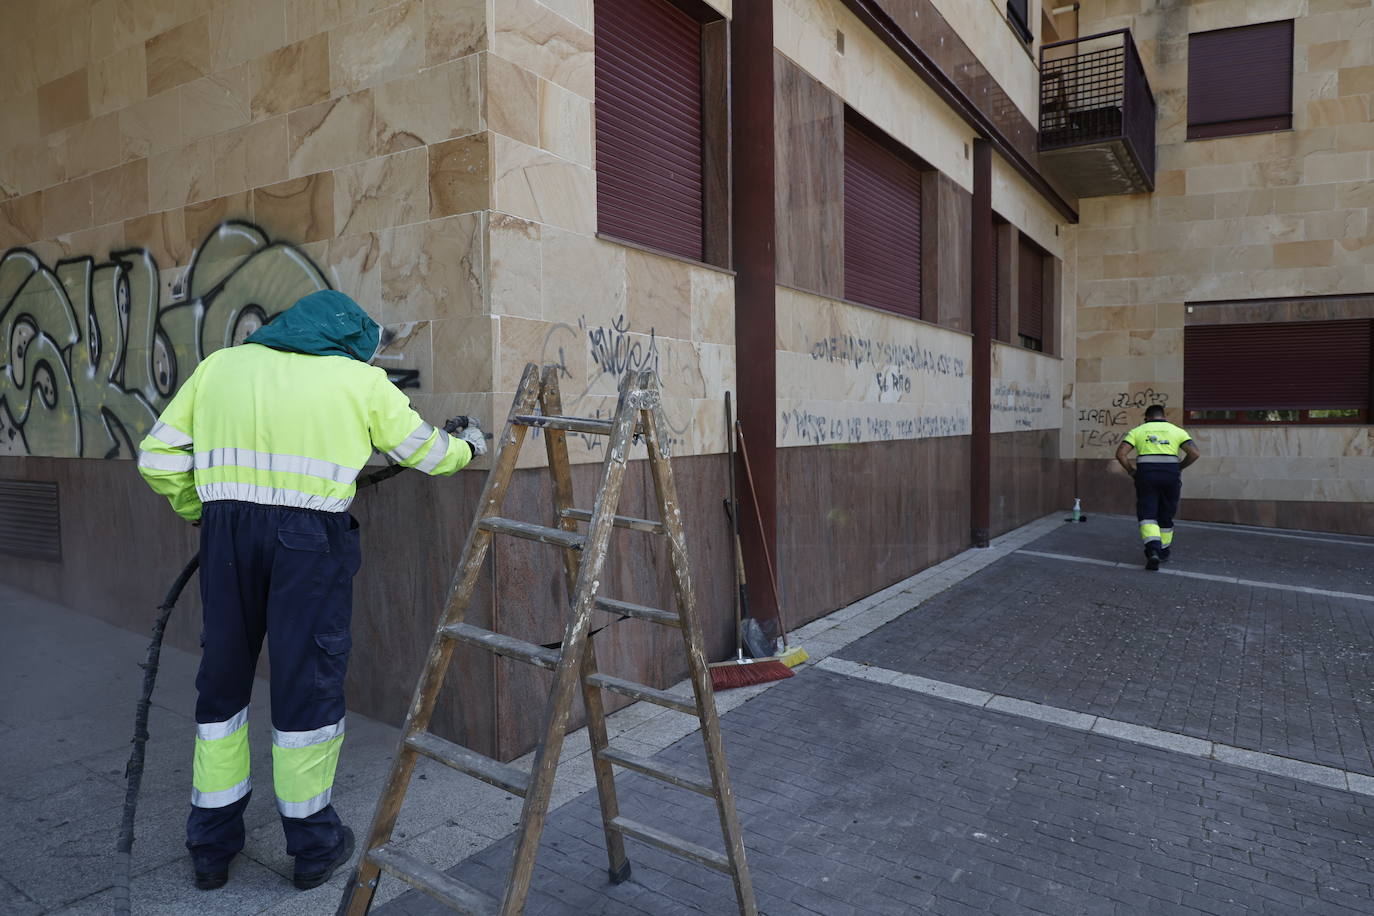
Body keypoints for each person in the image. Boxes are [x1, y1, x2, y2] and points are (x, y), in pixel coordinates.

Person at [136, 290, 488, 892]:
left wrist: (205, 511)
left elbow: (159, 458)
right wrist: (469, 447)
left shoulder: (221, 366)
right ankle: (312, 848)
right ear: (349, 340)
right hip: (309, 546)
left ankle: (211, 849)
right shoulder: (360, 381)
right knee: (307, 687)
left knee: (221, 688)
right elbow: (424, 452)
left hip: (226, 540)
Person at [1115, 404, 1200, 571]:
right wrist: (1180, 466)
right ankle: (1163, 550)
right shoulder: (1177, 431)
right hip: (1170, 477)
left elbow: (1120, 454)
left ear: (1146, 417)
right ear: (1163, 416)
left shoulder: (1138, 431)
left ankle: (1153, 549)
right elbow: (1195, 453)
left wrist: (1132, 471)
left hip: (1146, 477)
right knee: (1166, 514)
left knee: (1147, 514)